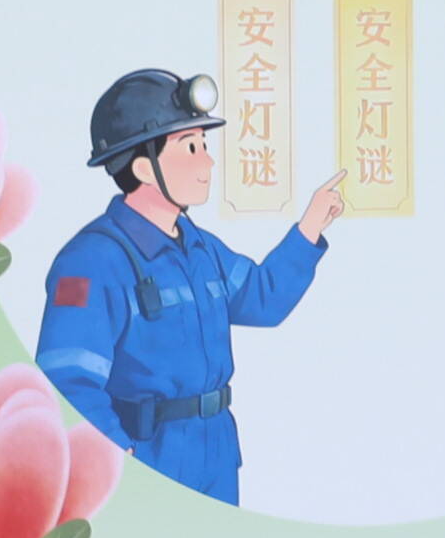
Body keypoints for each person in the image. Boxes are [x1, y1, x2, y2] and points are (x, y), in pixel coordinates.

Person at [36, 67, 343, 504]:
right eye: (191, 147)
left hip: (215, 451)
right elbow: (66, 379)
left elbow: (262, 299)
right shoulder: (89, 262)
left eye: (204, 145)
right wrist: (116, 456)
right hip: (149, 455)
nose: (208, 163)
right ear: (144, 167)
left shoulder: (199, 248)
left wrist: (310, 228)